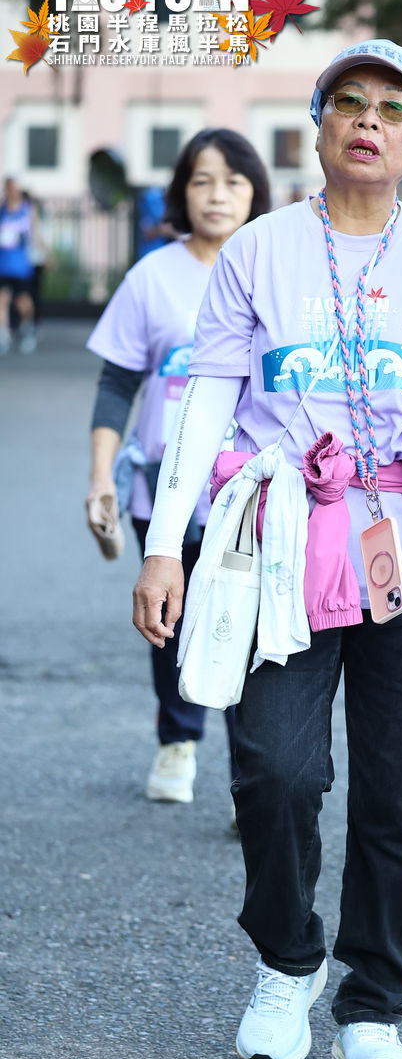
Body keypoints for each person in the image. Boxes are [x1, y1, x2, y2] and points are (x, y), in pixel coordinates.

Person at [131, 40, 402, 1059]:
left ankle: (373, 1006)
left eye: (393, 108)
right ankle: (287, 962)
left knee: (398, 800)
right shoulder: (258, 251)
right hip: (277, 554)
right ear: (318, 126)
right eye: (349, 103)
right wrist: (165, 544)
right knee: (275, 770)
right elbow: (204, 401)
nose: (369, 121)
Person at [86, 129, 271, 805]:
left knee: (249, 629)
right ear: (180, 193)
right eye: (201, 180)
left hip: (249, 495)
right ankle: (177, 741)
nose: (217, 195)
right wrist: (100, 477)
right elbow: (116, 384)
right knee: (167, 619)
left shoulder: (273, 271)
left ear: (255, 192)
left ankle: (255, 774)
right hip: (161, 492)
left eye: (232, 181)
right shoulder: (152, 276)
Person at [0, 177, 38, 355]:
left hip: (21, 266)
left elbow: (35, 235)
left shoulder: (27, 210)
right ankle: (3, 335)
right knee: (2, 299)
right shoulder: (2, 211)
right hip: (3, 265)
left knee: (23, 302)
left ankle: (27, 328)